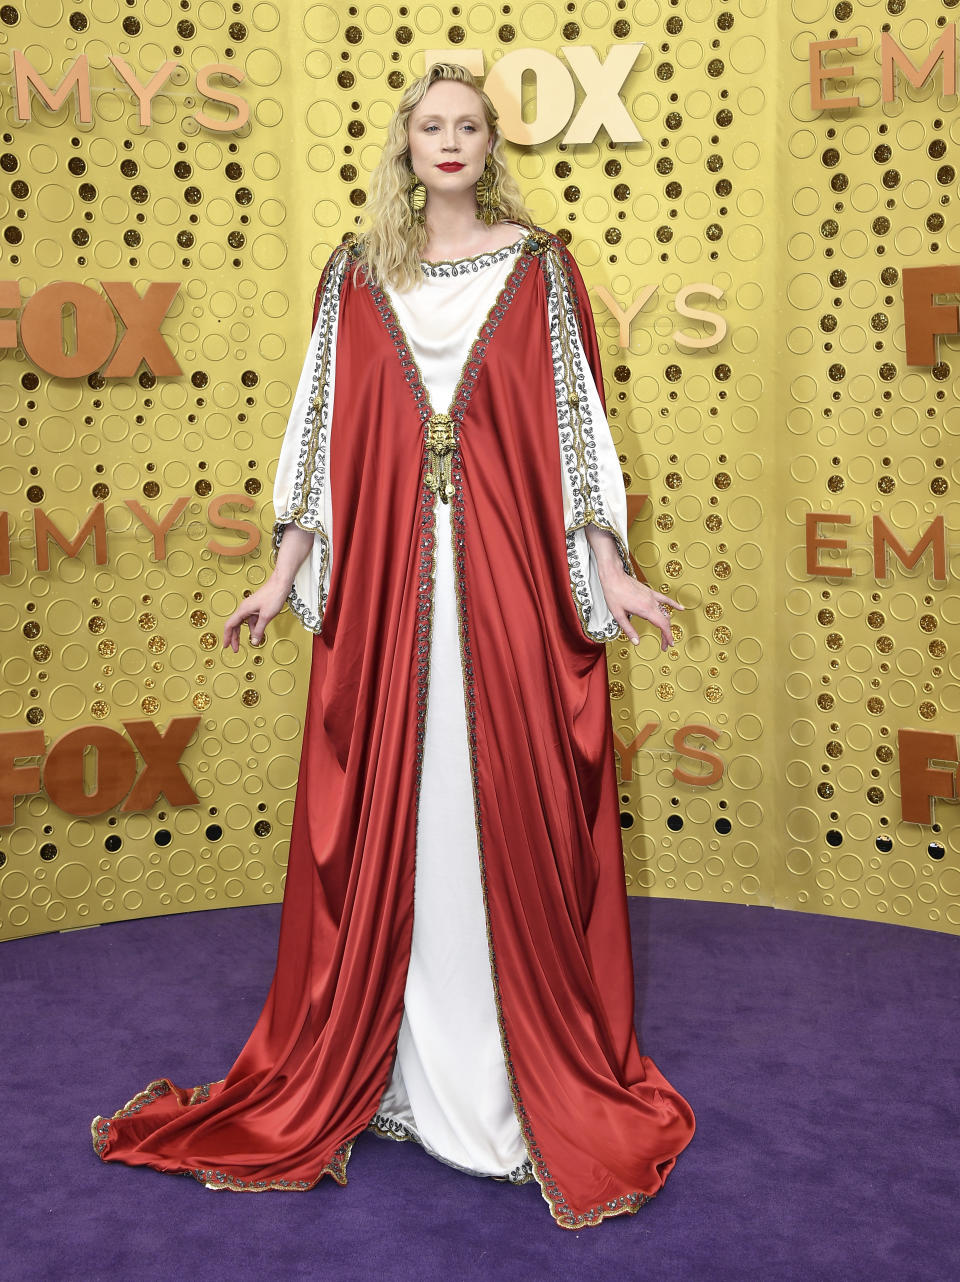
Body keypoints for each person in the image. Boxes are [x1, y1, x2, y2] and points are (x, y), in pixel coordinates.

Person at [91, 62, 695, 1230]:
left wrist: (609, 569)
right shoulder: (356, 272)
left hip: (507, 596)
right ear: (405, 144)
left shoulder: (539, 268)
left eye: (470, 126)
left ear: (489, 144)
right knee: (398, 819)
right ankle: (393, 1073)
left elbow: (578, 431)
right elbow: (316, 432)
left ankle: (509, 1082)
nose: (453, 143)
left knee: (495, 817)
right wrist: (279, 573)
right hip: (384, 602)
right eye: (434, 127)